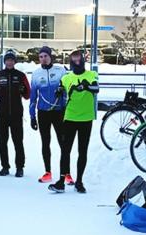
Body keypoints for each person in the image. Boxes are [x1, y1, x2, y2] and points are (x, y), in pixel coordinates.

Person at [48, 50, 99, 194]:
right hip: (70, 117)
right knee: (65, 150)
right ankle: (61, 181)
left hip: (86, 118)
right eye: (74, 61)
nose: (77, 63)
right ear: (70, 62)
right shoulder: (67, 77)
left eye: (79, 60)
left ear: (83, 61)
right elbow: (61, 87)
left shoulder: (91, 75)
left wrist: (87, 86)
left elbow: (96, 88)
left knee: (82, 151)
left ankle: (79, 181)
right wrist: (59, 90)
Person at [29, 46, 69, 184]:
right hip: (43, 113)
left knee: (63, 143)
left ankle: (67, 173)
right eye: (40, 57)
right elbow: (33, 97)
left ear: (50, 56)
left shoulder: (61, 71)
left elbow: (69, 89)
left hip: (59, 112)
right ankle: (48, 172)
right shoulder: (36, 74)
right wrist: (32, 117)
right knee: (45, 142)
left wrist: (62, 89)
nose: (43, 59)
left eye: (45, 56)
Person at [0, 50, 30, 177]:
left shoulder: (20, 75)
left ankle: (20, 167)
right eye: (7, 60)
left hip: (16, 113)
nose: (9, 62)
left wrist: (23, 90)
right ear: (4, 61)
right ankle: (5, 167)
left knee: (18, 140)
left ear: (15, 62)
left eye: (12, 60)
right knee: (2, 141)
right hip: (1, 113)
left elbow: (28, 95)